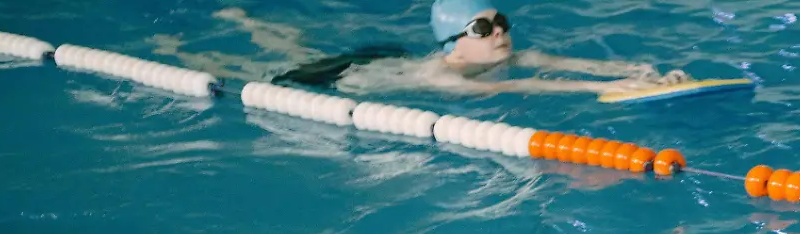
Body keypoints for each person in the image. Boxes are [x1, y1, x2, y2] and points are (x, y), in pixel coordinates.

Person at [151, 2, 688, 99]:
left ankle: (240, 16)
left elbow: (557, 65)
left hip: (382, 59)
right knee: (257, 71)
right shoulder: (444, 79)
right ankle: (172, 47)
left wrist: (635, 70)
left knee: (292, 45)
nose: (500, 33)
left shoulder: (508, 57)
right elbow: (530, 86)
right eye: (483, 28)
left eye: (501, 22)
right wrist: (606, 90)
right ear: (454, 44)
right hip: (347, 80)